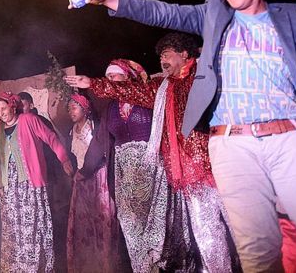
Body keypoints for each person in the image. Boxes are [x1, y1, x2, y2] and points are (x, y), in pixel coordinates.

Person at [73, 0, 296, 272]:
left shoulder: (292, 17)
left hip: (291, 138)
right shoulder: (215, 17)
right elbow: (161, 11)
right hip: (232, 145)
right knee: (258, 251)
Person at [68, 32, 237, 272]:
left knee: (243, 228)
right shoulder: (160, 90)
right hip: (179, 175)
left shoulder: (201, 77)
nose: (162, 60)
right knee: (208, 235)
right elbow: (106, 130)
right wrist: (93, 83)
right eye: (160, 57)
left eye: (167, 54)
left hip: (215, 163)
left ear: (185, 55)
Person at [0, 91, 74, 273]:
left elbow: (51, 139)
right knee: (12, 229)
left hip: (29, 184)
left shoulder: (29, 120)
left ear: (13, 106)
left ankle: (34, 267)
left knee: (32, 227)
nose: (1, 112)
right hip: (8, 188)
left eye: (4, 108)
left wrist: (64, 159)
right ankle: (15, 268)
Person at [78, 59, 150, 273]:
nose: (109, 80)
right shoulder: (111, 109)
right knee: (129, 223)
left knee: (153, 224)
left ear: (127, 76)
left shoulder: (146, 99)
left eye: (114, 75)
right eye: (107, 76)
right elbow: (101, 140)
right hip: (123, 177)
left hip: (151, 171)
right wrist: (85, 170)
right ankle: (140, 268)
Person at [65, 93, 122, 273]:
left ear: (85, 108)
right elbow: (74, 158)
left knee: (103, 220)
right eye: (69, 109)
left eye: (74, 108)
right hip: (82, 181)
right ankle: (89, 264)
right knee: (85, 223)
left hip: (99, 178)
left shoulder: (95, 127)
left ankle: (106, 264)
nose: (70, 112)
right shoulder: (71, 132)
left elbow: (102, 152)